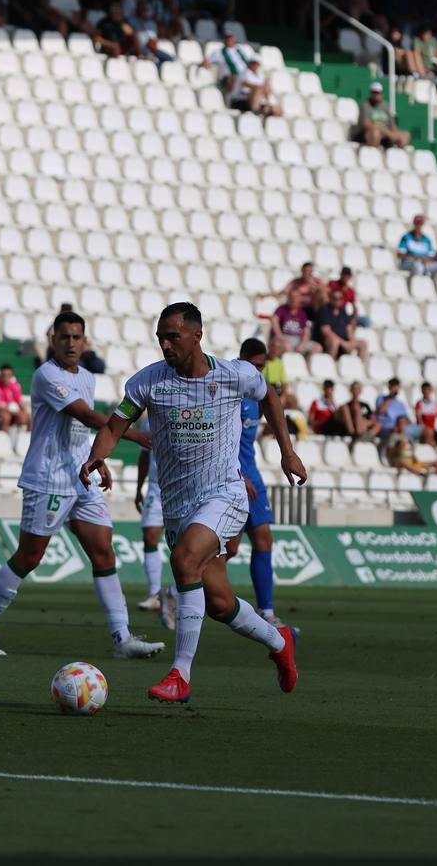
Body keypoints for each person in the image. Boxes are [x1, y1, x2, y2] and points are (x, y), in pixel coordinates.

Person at [79, 302, 304, 705]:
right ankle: (279, 641)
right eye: (161, 338)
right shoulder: (148, 382)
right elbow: (115, 425)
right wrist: (98, 455)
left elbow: (269, 396)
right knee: (219, 603)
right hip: (178, 506)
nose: (166, 345)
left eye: (173, 337)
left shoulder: (235, 374)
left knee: (184, 561)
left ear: (197, 336)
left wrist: (287, 452)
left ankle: (180, 674)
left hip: (225, 494)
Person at [0, 312, 162, 660]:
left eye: (76, 337)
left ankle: (122, 638)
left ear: (85, 341)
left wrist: (97, 458)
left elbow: (81, 430)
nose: (71, 343)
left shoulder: (86, 377)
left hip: (81, 476)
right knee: (29, 557)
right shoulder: (47, 375)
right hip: (48, 479)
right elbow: (85, 415)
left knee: (104, 553)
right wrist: (135, 435)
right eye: (64, 337)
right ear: (53, 340)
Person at [238, 338, 283, 627]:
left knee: (264, 538)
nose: (257, 373)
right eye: (253, 366)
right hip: (233, 477)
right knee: (228, 549)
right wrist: (237, 475)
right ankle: (175, 594)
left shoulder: (256, 397)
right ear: (241, 360)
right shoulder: (230, 395)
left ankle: (266, 611)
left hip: (252, 473)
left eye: (261, 368)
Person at [134, 441, 174, 628]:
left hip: (181, 486)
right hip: (155, 489)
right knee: (149, 536)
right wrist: (138, 488)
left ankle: (176, 594)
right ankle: (154, 594)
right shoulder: (146, 424)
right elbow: (144, 456)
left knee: (184, 543)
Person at [312, 287, 368, 360]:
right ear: (330, 298)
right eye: (335, 298)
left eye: (340, 298)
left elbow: (348, 328)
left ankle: (361, 365)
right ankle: (330, 363)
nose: (337, 300)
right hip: (328, 341)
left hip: (344, 340)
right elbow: (326, 331)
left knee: (363, 343)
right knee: (334, 342)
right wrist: (343, 343)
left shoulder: (342, 311)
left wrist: (352, 341)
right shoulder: (324, 311)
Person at [354, 82, 408, 148]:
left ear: (381, 93)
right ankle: (373, 152)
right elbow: (366, 124)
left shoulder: (386, 106)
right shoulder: (365, 105)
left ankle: (396, 152)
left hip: (385, 136)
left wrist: (395, 135)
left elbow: (392, 125)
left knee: (405, 135)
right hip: (368, 134)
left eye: (378, 92)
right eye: (374, 92)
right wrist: (388, 133)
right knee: (375, 133)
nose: (376, 95)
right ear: (371, 93)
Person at [270, 288, 319, 356]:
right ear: (289, 298)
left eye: (296, 297)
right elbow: (274, 321)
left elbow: (306, 332)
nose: (294, 299)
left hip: (298, 339)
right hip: (284, 337)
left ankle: (307, 362)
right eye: (292, 297)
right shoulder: (281, 309)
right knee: (287, 345)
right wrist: (280, 336)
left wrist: (302, 344)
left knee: (317, 347)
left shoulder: (302, 313)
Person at [0, 364, 31, 431]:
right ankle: (3, 436)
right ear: (0, 375)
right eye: (4, 375)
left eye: (8, 376)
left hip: (12, 412)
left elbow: (20, 402)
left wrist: (24, 412)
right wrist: (15, 413)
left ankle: (28, 436)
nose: (6, 378)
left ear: (11, 376)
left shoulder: (14, 386)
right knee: (6, 417)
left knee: (29, 417)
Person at [374, 377, 411, 444]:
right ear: (389, 387)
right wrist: (390, 397)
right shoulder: (381, 398)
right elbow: (380, 412)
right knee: (395, 435)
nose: (395, 388)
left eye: (396, 386)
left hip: (399, 429)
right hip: (385, 428)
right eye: (393, 386)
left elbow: (406, 419)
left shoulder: (401, 404)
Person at [413, 383, 437, 447]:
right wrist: (426, 429)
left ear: (431, 390)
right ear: (422, 391)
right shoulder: (419, 404)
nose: (426, 392)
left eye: (428, 390)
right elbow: (419, 419)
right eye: (425, 390)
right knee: (430, 440)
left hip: (432, 430)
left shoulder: (435, 404)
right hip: (423, 431)